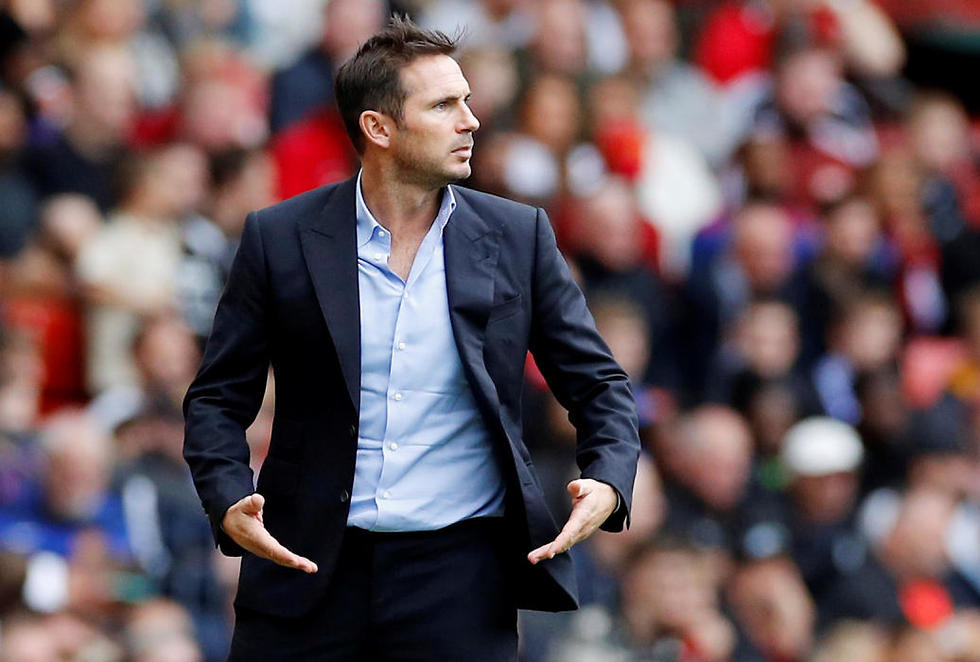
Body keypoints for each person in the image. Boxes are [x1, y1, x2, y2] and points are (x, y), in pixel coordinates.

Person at [182, 16, 640, 661]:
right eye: (444, 105)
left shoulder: (519, 236)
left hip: (460, 579)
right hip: (305, 568)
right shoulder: (278, 238)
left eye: (467, 101)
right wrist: (228, 497)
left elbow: (599, 384)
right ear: (379, 128)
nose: (471, 120)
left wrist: (609, 478)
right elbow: (216, 398)